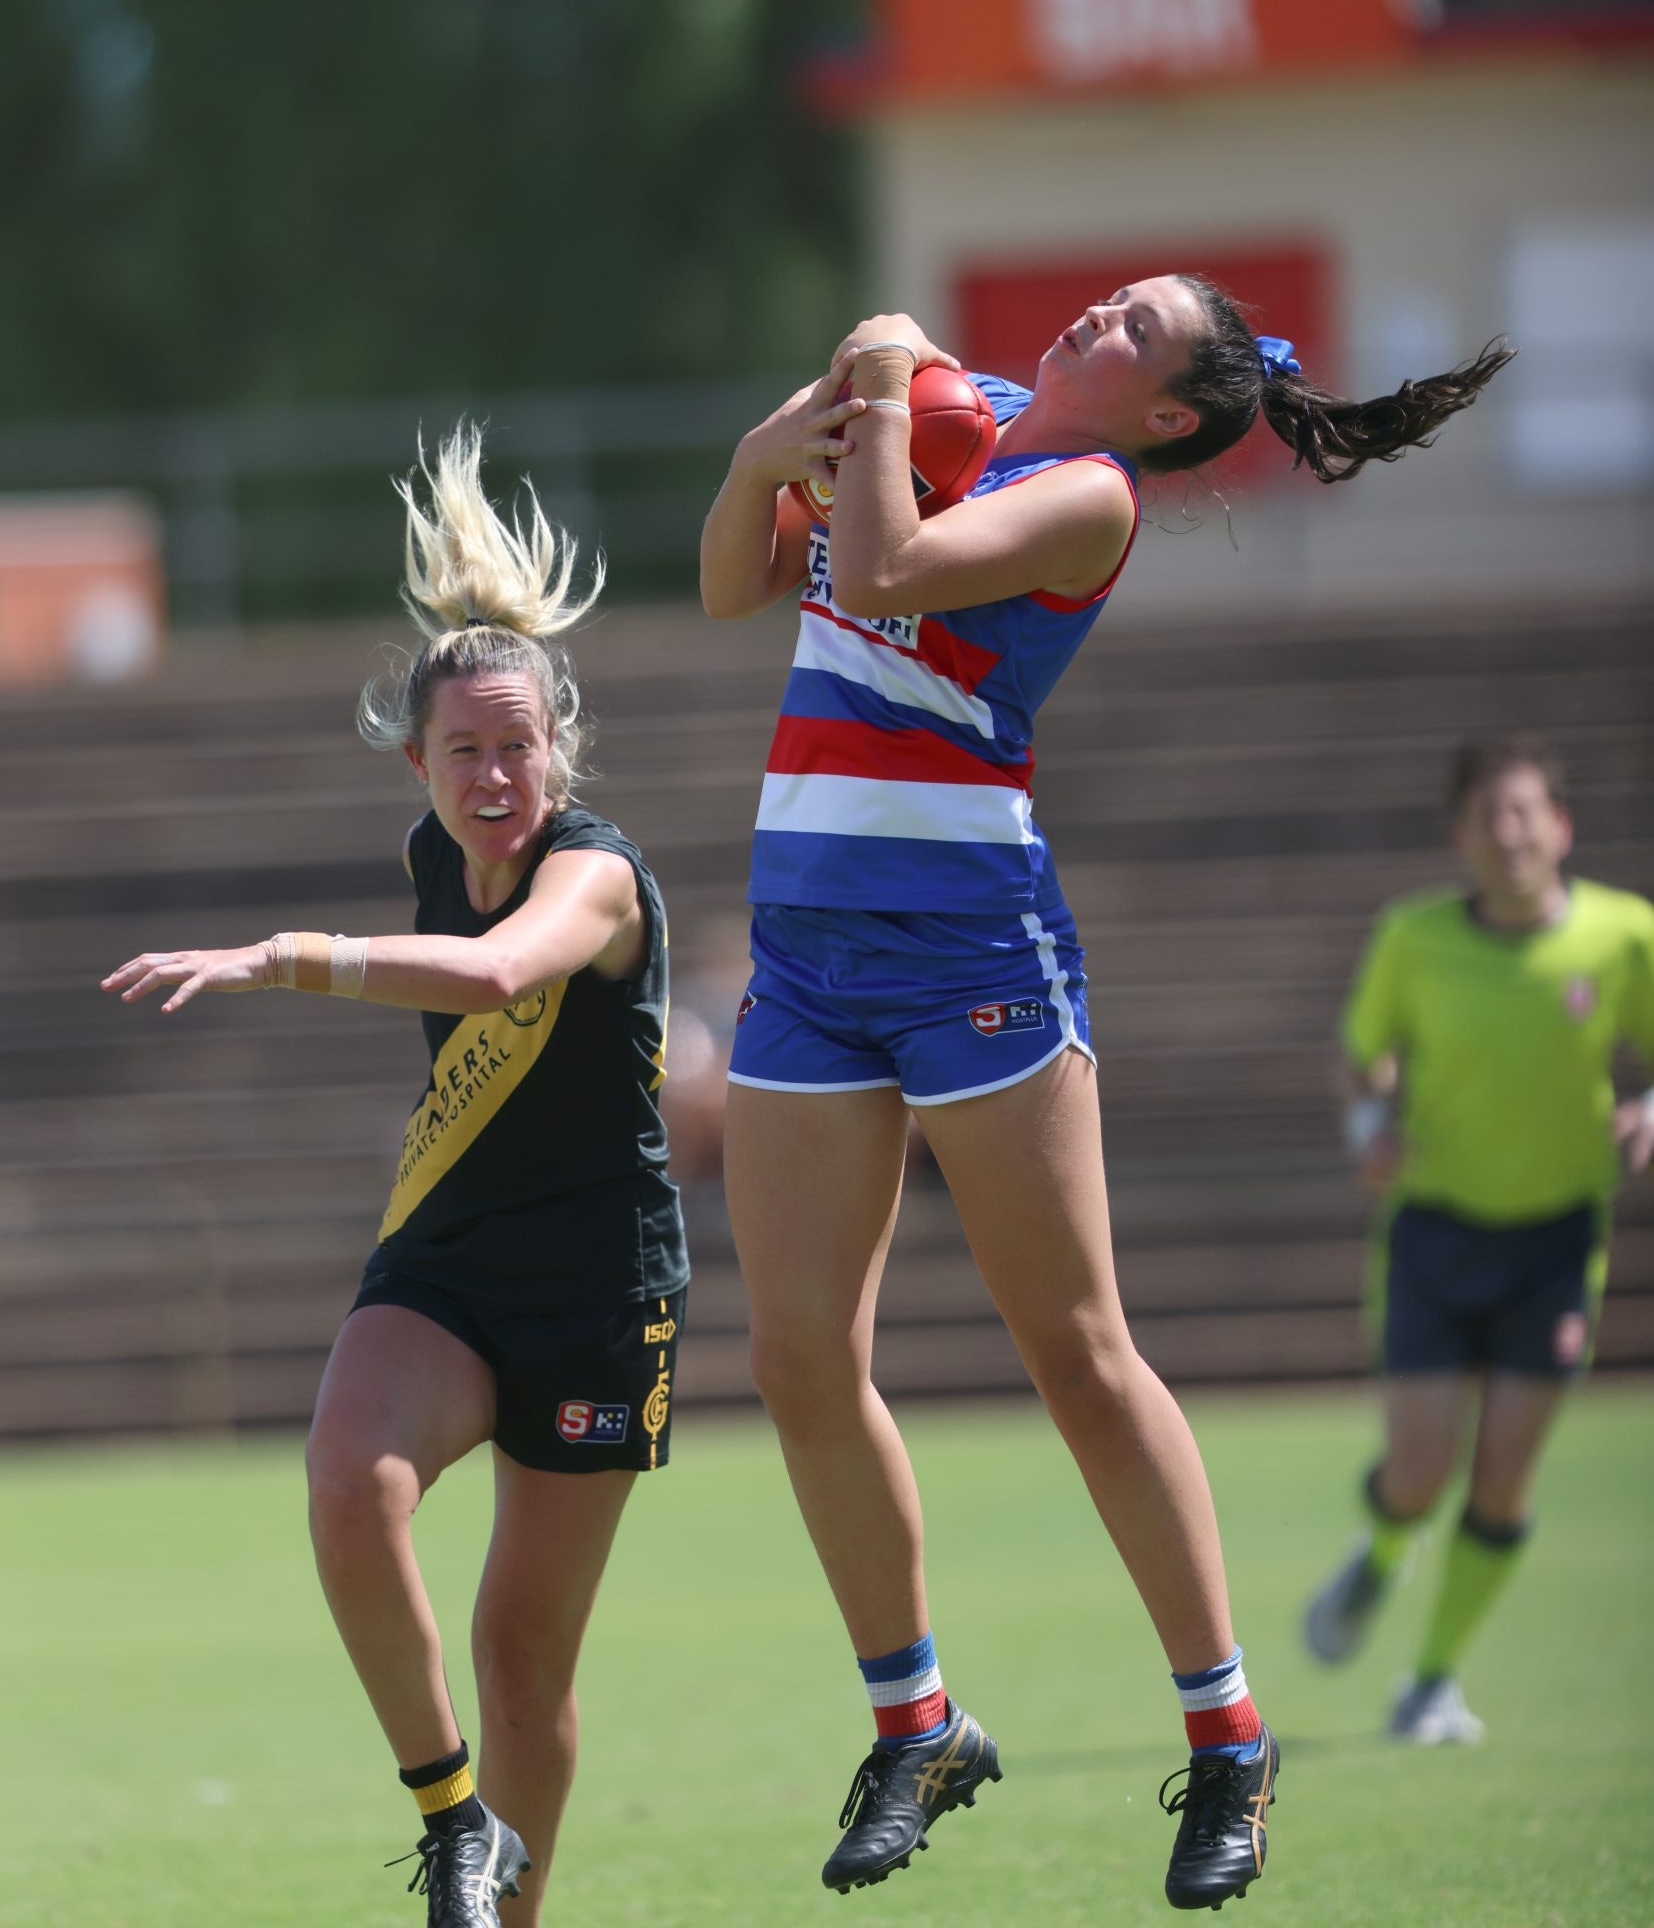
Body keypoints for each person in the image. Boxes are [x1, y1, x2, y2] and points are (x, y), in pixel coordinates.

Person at [699, 278, 1510, 1912]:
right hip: (805, 946)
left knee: (1077, 1353)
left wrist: (873, 371)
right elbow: (738, 582)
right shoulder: (962, 407)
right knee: (797, 1359)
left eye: (1135, 331)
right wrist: (765, 454)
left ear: (1164, 414)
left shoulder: (1088, 495)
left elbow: (880, 568)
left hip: (969, 953)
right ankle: (917, 1726)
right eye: (1111, 302)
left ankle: (1228, 1740)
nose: (1093, 320)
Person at [104, 428, 687, 1928]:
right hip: (451, 1256)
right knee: (348, 1483)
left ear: (559, 749)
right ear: (418, 762)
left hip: (597, 1288)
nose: (495, 775)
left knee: (522, 1656)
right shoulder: (433, 846)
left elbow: (496, 977)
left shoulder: (596, 874)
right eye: (464, 751)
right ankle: (451, 1824)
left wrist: (281, 956)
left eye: (518, 747)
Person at [1304, 733, 1654, 1743]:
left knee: (1502, 1480)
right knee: (1418, 1474)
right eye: (1487, 816)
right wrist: (1370, 1127)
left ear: (1560, 827)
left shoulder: (1623, 935)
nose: (1508, 834)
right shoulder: (1412, 938)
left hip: (1556, 1242)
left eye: (1524, 812)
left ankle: (1430, 1681)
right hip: (1433, 1231)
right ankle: (1380, 1554)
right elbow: (1363, 1056)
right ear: (1459, 836)